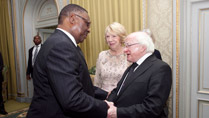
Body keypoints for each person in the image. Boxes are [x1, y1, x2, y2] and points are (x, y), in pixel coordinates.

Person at [26, 4, 110, 118]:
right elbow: (72, 99)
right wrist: (106, 108)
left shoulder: (67, 44)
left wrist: (107, 95)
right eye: (87, 23)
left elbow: (81, 84)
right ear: (72, 18)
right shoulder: (60, 46)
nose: (89, 29)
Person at [107, 31, 172, 118]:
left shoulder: (160, 68)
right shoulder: (133, 66)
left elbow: (152, 108)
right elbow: (118, 91)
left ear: (142, 47)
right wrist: (108, 104)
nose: (124, 50)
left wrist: (118, 112)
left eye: (128, 45)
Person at [94, 22, 131, 92]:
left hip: (122, 97)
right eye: (107, 36)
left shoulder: (128, 54)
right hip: (103, 98)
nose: (110, 40)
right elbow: (97, 81)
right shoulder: (102, 55)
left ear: (121, 37)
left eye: (114, 36)